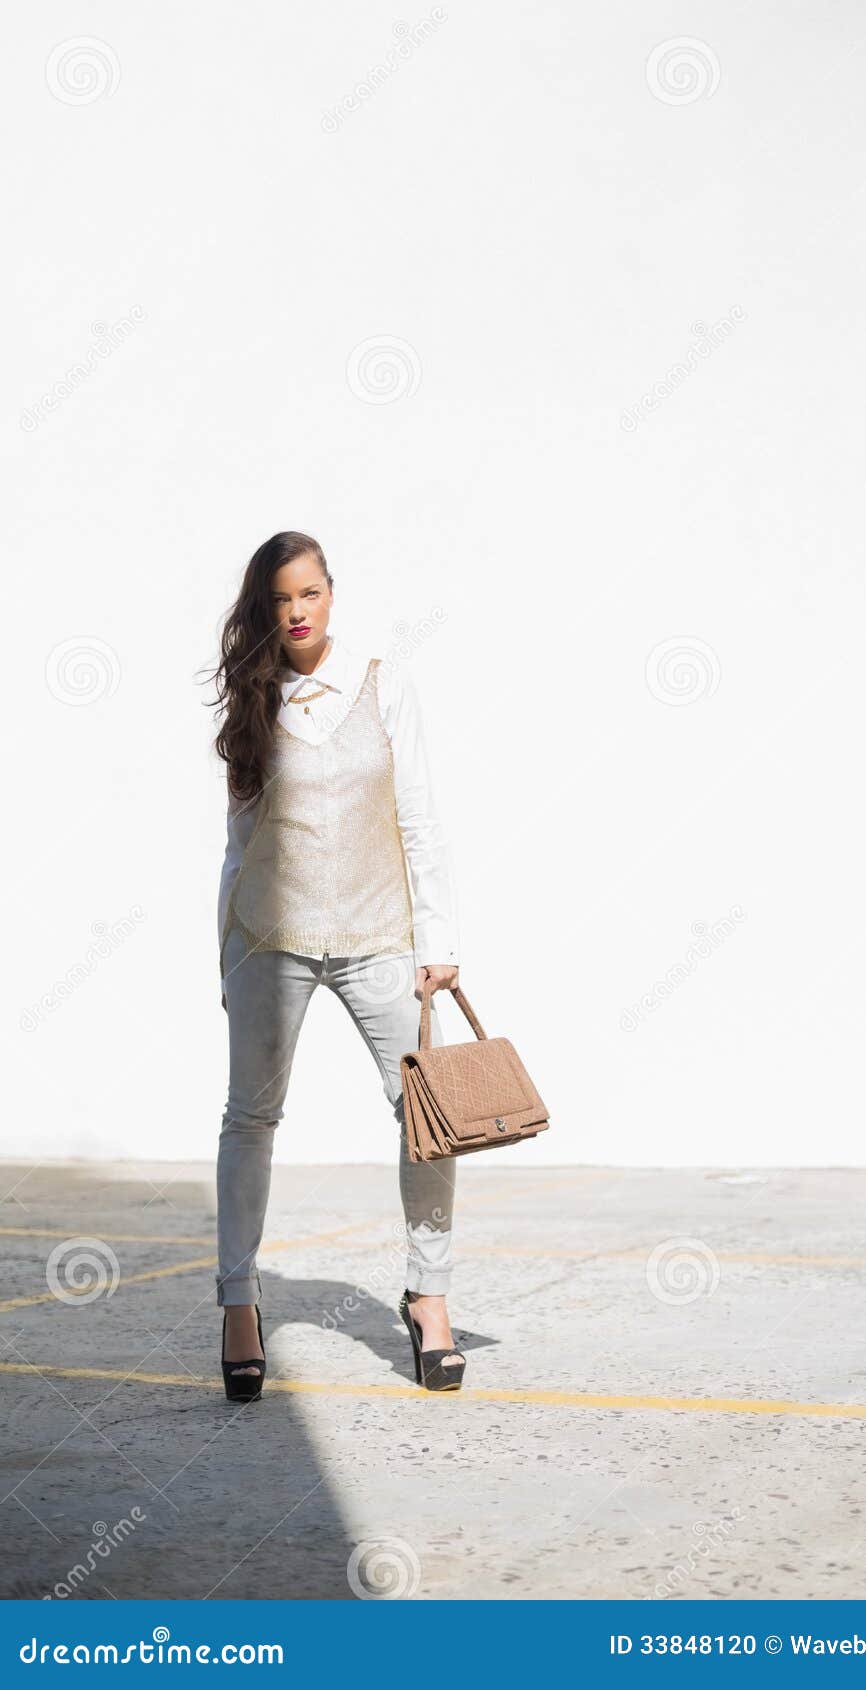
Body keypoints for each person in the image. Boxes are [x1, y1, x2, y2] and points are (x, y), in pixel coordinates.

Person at [209, 530, 464, 1401]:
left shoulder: (384, 684)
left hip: (376, 936)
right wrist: (224, 950)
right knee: (251, 1117)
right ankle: (239, 1305)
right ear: (264, 608)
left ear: (331, 592)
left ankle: (428, 1295)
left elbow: (420, 818)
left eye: (309, 594)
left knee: (425, 1113)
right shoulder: (253, 698)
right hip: (267, 941)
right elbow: (239, 842)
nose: (296, 612)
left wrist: (439, 944)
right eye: (280, 600)